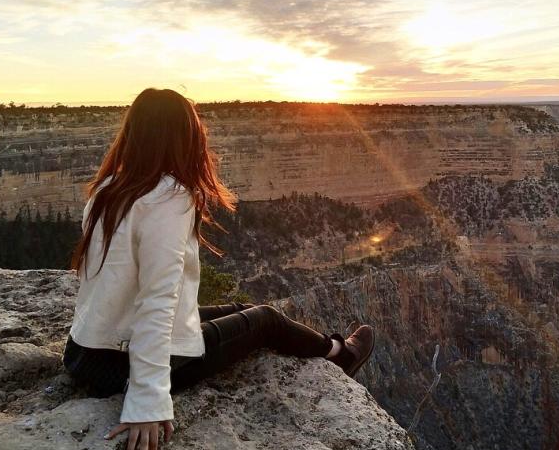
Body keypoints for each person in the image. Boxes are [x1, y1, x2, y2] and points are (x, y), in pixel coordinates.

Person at [62, 88, 375, 450]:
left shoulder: (108, 188)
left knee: (240, 311)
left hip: (84, 351)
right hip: (121, 366)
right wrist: (146, 401)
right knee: (266, 319)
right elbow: (159, 299)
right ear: (183, 139)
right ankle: (340, 354)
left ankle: (331, 348)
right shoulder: (168, 196)